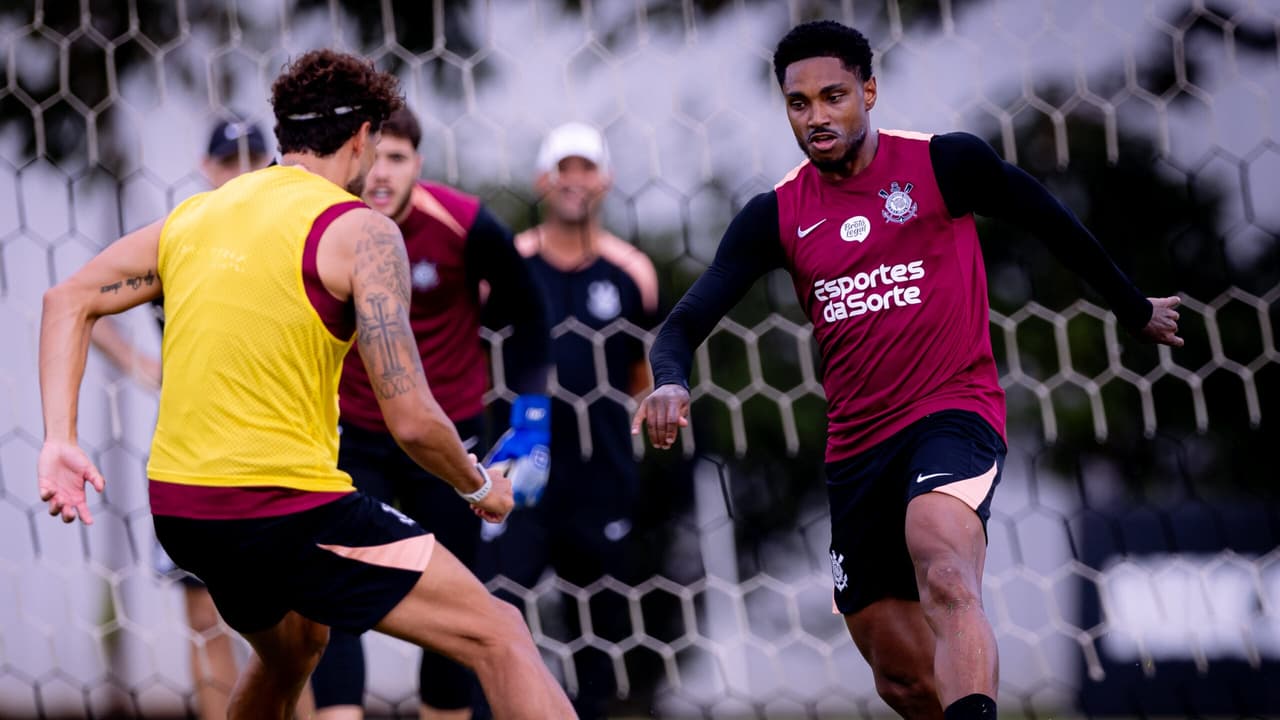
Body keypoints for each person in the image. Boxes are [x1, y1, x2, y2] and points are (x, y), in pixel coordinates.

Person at [631, 21, 1184, 720]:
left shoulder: (943, 165)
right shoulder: (776, 214)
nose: (817, 117)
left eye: (833, 96)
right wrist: (671, 379)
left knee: (945, 569)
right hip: (857, 449)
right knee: (899, 676)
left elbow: (1048, 218)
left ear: (868, 90)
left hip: (952, 413)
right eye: (799, 104)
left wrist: (1132, 307)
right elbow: (683, 322)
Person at [37, 48, 575, 720]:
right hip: (282, 508)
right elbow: (408, 415)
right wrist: (477, 484)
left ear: (284, 134)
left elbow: (66, 299)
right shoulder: (363, 234)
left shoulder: (199, 216)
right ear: (360, 142)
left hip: (182, 512)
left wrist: (60, 438)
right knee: (499, 635)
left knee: (295, 649)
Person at [309, 106, 552, 720]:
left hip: (452, 444)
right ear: (354, 158)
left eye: (399, 158)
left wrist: (531, 420)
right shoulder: (327, 225)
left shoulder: (464, 224)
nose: (383, 174)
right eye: (375, 157)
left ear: (418, 163)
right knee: (333, 593)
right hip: (354, 440)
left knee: (461, 606)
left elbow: (530, 313)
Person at [87, 118, 271, 720]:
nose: (241, 172)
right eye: (229, 161)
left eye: (253, 159)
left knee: (290, 622)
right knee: (202, 614)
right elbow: (84, 300)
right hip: (190, 449)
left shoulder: (287, 239)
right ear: (206, 167)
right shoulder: (181, 243)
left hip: (273, 445)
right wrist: (145, 363)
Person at [478, 122, 659, 720]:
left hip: (599, 480)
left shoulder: (632, 272)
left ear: (605, 181)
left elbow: (643, 376)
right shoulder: (508, 267)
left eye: (586, 168)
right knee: (493, 622)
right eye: (563, 169)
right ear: (542, 180)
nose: (574, 181)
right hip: (517, 481)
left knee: (600, 642)